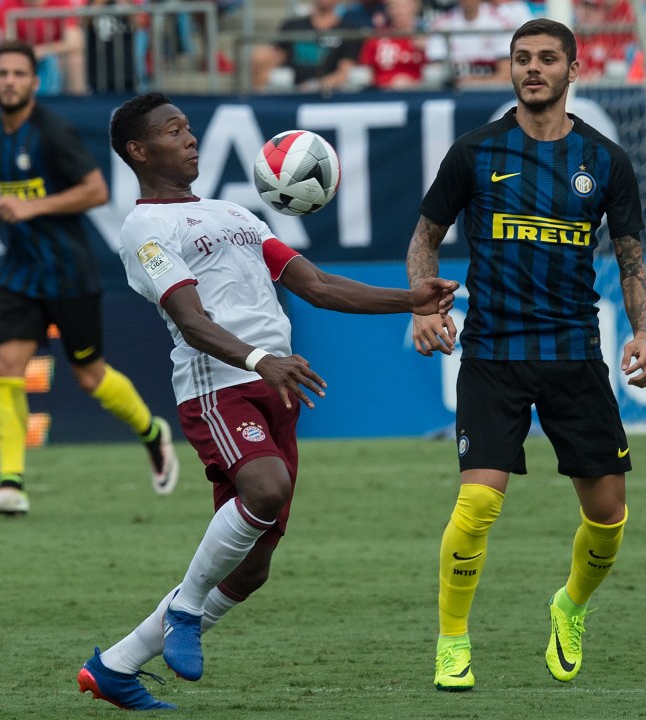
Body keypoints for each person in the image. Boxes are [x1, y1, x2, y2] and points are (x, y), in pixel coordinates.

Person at [75, 92, 459, 710]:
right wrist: (260, 359)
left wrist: (410, 298)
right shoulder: (145, 229)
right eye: (175, 131)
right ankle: (185, 609)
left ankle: (114, 666)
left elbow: (317, 284)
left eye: (190, 127)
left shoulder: (236, 214)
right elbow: (190, 319)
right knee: (265, 487)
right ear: (139, 151)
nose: (191, 138)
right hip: (218, 386)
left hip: (275, 386)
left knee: (252, 567)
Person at [405, 18, 646, 691]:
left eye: (547, 58)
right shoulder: (475, 152)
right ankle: (452, 642)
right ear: (510, 69)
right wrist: (427, 306)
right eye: (522, 59)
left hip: (576, 354)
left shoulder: (605, 161)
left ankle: (569, 607)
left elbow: (632, 260)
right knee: (479, 503)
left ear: (573, 69)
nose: (533, 68)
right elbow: (424, 239)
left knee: (608, 517)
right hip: (492, 353)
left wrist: (642, 333)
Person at [0, 41, 179, 517]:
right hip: (21, 273)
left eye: (19, 73)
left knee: (89, 376)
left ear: (35, 83)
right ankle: (10, 483)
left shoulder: (53, 132)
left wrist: (29, 208)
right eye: (3, 74)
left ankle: (151, 432)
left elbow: (95, 190)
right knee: (6, 366)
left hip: (67, 274)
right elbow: (12, 197)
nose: (10, 81)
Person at [250, 0, 362, 92]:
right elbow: (275, 56)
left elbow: (344, 71)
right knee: (260, 54)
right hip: (292, 89)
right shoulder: (293, 26)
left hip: (329, 93)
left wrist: (317, 85)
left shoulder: (348, 30)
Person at [425, 0, 513, 87]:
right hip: (452, 91)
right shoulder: (441, 24)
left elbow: (506, 72)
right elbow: (436, 71)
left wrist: (477, 84)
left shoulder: (500, 23)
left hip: (491, 92)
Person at [358, 0, 428, 89]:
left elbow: (436, 70)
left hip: (419, 92)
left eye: (402, 6)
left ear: (415, 7)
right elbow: (366, 70)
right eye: (394, 7)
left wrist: (427, 48)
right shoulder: (377, 37)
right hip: (381, 93)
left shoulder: (427, 37)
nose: (398, 11)